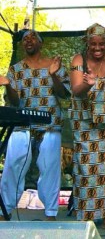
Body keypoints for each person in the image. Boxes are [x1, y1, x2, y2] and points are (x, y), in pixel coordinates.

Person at [0, 30, 70, 221]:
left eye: (32, 38)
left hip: (50, 123)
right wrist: (7, 85)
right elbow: (14, 102)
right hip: (22, 124)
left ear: (41, 43)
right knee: (13, 166)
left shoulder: (54, 64)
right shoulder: (16, 69)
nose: (28, 41)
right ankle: (5, 210)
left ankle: (50, 213)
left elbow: (64, 94)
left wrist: (54, 75)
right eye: (24, 39)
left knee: (50, 168)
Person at [69, 23, 105, 232]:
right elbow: (76, 89)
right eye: (93, 44)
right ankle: (85, 217)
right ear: (87, 43)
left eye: (102, 44)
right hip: (84, 121)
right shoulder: (78, 60)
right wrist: (90, 84)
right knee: (85, 169)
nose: (98, 48)